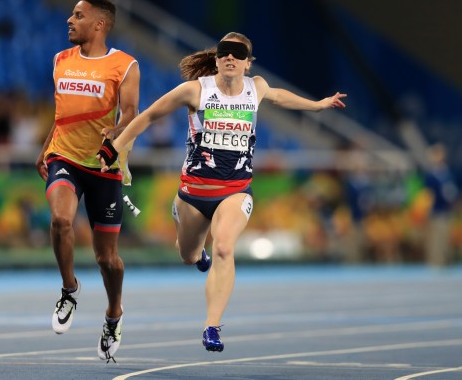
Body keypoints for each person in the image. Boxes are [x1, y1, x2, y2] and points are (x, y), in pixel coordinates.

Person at [97, 32, 346, 352]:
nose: (230, 57)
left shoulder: (256, 88)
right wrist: (115, 148)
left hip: (235, 191)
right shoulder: (196, 90)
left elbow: (280, 97)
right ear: (216, 59)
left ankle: (212, 326)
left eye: (238, 54)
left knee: (225, 248)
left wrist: (317, 105)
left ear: (247, 62)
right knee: (187, 256)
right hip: (193, 193)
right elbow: (148, 116)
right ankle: (196, 251)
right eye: (225, 52)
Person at [35, 0, 140, 362]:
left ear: (99, 24)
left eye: (77, 15)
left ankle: (114, 314)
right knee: (61, 220)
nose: (69, 20)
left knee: (106, 259)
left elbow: (130, 114)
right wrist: (47, 145)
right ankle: (69, 290)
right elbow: (64, 113)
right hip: (64, 157)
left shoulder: (124, 65)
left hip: (104, 167)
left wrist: (114, 137)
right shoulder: (60, 60)